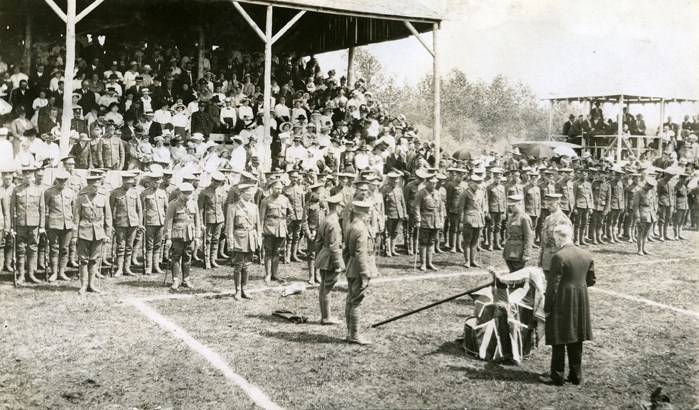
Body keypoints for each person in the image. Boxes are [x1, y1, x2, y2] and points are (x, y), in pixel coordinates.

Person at [539, 224, 595, 386]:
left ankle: (557, 376)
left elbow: (552, 286)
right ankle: (575, 375)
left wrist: (547, 307)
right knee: (576, 336)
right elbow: (591, 280)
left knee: (559, 337)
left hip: (562, 300)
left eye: (555, 239)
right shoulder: (585, 254)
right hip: (580, 300)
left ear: (558, 237)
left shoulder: (559, 256)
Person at [343, 200, 377, 345]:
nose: (369, 215)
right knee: (356, 301)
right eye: (368, 212)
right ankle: (354, 336)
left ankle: (350, 333)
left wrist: (348, 265)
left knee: (350, 300)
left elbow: (346, 251)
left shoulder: (351, 226)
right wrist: (365, 273)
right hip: (359, 268)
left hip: (352, 266)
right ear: (362, 214)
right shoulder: (361, 229)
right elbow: (361, 253)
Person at [73, 175, 112, 294]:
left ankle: (91, 285)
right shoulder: (80, 199)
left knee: (94, 259)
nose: (96, 189)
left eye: (98, 186)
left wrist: (107, 234)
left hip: (98, 232)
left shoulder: (103, 198)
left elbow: (108, 217)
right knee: (83, 259)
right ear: (88, 186)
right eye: (94, 187)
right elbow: (76, 218)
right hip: (84, 231)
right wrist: (74, 236)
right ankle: (83, 285)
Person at [225, 183, 260, 300]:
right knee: (238, 266)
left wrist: (258, 238)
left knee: (247, 265)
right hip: (239, 238)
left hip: (251, 237)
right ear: (241, 193)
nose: (250, 196)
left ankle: (245, 288)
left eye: (252, 194)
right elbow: (229, 226)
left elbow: (258, 225)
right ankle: (238, 290)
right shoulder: (234, 207)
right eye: (248, 193)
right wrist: (230, 242)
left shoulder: (254, 207)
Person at [11, 168, 46, 284]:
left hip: (34, 224)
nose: (28, 179)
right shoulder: (16, 190)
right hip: (20, 224)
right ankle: (21, 275)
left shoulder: (39, 190)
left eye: (30, 176)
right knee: (20, 249)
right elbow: (13, 209)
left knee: (32, 248)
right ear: (23, 177)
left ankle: (31, 274)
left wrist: (41, 226)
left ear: (33, 177)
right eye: (25, 177)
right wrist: (12, 226)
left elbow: (42, 209)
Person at [164, 182, 201, 290]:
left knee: (187, 256)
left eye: (190, 193)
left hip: (190, 234)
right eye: (185, 193)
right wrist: (168, 238)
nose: (188, 196)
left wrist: (197, 237)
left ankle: (186, 279)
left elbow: (197, 221)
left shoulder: (194, 204)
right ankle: (175, 279)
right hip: (177, 234)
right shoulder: (173, 204)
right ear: (181, 193)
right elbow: (168, 222)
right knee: (176, 256)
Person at [315, 193, 345, 325]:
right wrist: (338, 265)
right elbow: (334, 247)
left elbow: (318, 242)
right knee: (327, 288)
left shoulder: (326, 220)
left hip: (323, 256)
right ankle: (326, 317)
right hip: (330, 259)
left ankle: (325, 316)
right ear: (338, 207)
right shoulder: (334, 223)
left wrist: (319, 256)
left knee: (323, 288)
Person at [44, 170, 75, 282]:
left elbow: (74, 209)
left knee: (65, 249)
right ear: (56, 180)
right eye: (60, 181)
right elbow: (44, 209)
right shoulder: (49, 192)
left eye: (65, 181)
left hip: (67, 224)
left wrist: (74, 224)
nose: (62, 183)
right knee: (54, 248)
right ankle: (54, 273)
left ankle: (62, 272)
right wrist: (45, 224)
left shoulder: (71, 192)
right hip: (54, 224)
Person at [110, 173, 143, 277]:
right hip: (120, 223)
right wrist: (110, 224)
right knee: (120, 246)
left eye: (131, 183)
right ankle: (119, 269)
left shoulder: (135, 192)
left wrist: (140, 223)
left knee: (129, 246)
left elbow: (139, 209)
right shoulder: (115, 192)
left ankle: (127, 268)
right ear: (123, 181)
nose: (129, 185)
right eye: (127, 183)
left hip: (133, 223)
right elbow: (110, 209)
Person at [259, 178, 291, 283]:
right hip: (269, 228)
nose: (279, 190)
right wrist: (261, 231)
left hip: (281, 228)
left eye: (281, 188)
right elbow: (261, 217)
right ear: (271, 188)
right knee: (268, 251)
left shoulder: (285, 199)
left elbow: (290, 213)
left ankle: (275, 274)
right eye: (277, 188)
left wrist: (285, 224)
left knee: (277, 251)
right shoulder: (266, 200)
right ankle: (268, 274)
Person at [414, 172, 445, 271]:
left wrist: (441, 221)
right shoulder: (421, 193)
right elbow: (416, 207)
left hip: (435, 221)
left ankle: (430, 263)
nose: (434, 185)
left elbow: (440, 209)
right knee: (423, 242)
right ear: (426, 182)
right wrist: (418, 220)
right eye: (431, 183)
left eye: (435, 183)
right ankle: (423, 264)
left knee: (431, 242)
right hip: (425, 220)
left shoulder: (437, 193)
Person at [141, 172, 167, 276]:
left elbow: (166, 207)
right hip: (150, 222)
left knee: (158, 245)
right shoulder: (145, 193)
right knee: (149, 245)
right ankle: (148, 267)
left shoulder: (163, 192)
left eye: (158, 182)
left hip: (161, 221)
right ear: (151, 182)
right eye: (155, 183)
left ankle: (156, 266)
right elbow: (142, 209)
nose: (157, 184)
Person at [539, 193, 572, 275]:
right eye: (547, 204)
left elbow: (568, 242)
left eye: (551, 204)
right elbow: (544, 239)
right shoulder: (548, 218)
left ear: (558, 204)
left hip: (557, 256)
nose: (548, 206)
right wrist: (541, 257)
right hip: (546, 257)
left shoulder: (563, 220)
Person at [502, 194, 534, 272]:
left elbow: (529, 236)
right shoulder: (510, 217)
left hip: (518, 251)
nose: (511, 207)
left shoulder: (524, 218)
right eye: (509, 206)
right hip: (509, 250)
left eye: (513, 205)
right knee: (511, 273)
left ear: (520, 204)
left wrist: (526, 253)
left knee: (518, 275)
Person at [460, 174, 486, 268]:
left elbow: (483, 205)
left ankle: (473, 260)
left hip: (479, 219)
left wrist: (483, 215)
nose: (476, 187)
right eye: (475, 185)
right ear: (470, 184)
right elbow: (461, 208)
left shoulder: (480, 192)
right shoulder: (465, 193)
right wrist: (461, 221)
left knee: (475, 240)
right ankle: (467, 261)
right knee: (467, 240)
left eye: (478, 186)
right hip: (469, 219)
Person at [632, 177, 657, 256]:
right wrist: (637, 216)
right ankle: (639, 250)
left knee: (646, 232)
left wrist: (654, 213)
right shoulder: (639, 192)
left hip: (650, 215)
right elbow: (635, 206)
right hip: (642, 214)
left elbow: (653, 203)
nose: (651, 188)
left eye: (652, 187)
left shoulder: (651, 192)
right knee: (641, 232)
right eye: (650, 186)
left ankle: (644, 248)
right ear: (646, 185)